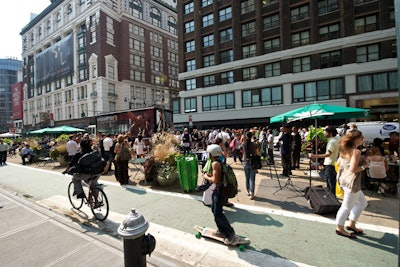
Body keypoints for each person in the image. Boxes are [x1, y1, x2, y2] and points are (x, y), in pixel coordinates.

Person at [335, 129, 368, 238]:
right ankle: (340, 228)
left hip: (344, 179)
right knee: (346, 207)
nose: (363, 139)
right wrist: (364, 166)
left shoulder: (344, 149)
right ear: (356, 139)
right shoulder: (356, 151)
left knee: (362, 203)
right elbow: (353, 169)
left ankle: (351, 223)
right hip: (352, 182)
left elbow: (340, 163)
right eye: (361, 137)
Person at [202, 144, 235, 245]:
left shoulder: (215, 164)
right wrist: (210, 175)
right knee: (214, 210)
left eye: (209, 153)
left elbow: (215, 180)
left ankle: (229, 233)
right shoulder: (220, 161)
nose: (208, 155)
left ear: (212, 154)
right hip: (221, 189)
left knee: (218, 213)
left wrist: (205, 176)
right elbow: (219, 176)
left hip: (219, 190)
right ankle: (221, 230)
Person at [309, 126, 339, 195]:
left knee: (331, 182)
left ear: (330, 133)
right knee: (329, 181)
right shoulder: (334, 140)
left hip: (330, 163)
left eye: (326, 132)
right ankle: (331, 197)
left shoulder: (332, 142)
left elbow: (328, 154)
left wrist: (315, 156)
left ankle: (332, 199)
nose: (324, 134)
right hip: (331, 163)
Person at [242, 131, 259, 200]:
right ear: (252, 136)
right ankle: (252, 193)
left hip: (246, 162)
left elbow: (243, 153)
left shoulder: (244, 144)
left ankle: (247, 190)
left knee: (247, 178)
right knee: (252, 179)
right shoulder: (254, 144)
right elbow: (257, 153)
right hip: (253, 162)